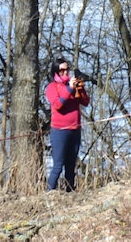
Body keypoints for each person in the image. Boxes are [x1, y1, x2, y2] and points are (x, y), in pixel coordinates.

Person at [45, 57, 90, 191]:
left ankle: (70, 193)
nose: (65, 72)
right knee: (58, 166)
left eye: (67, 69)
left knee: (71, 166)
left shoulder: (72, 85)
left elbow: (85, 102)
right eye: (62, 70)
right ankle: (49, 194)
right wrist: (70, 88)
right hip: (60, 131)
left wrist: (80, 89)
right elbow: (58, 105)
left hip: (75, 130)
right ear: (55, 72)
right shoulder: (52, 87)